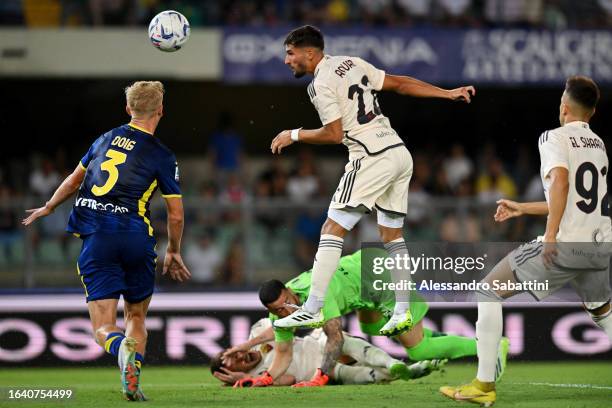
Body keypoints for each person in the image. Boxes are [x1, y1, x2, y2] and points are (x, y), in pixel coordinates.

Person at [270, 25, 475, 337]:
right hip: (398, 152)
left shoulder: (320, 84)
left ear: (309, 53)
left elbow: (334, 134)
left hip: (370, 157)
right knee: (391, 235)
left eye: (290, 53)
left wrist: (293, 134)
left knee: (332, 228)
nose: (287, 60)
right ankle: (403, 311)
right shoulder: (353, 63)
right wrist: (446, 93)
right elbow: (401, 84)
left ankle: (311, 309)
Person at [441, 76, 612, 406]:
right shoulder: (599, 145)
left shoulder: (553, 137)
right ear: (591, 112)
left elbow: (560, 182)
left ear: (564, 107)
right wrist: (522, 207)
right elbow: (574, 199)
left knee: (488, 290)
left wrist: (550, 236)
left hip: (564, 243)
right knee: (602, 310)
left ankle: (483, 385)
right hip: (598, 244)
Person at [22, 81, 191, 401]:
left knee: (103, 328)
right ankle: (133, 373)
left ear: (128, 109)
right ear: (161, 111)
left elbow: (75, 180)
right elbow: (176, 215)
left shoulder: (104, 139)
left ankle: (118, 349)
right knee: (136, 318)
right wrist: (174, 251)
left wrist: (49, 206)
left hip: (99, 240)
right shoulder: (163, 155)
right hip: (137, 240)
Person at [223, 250, 507, 387]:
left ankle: (493, 346)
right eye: (276, 311)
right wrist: (266, 378)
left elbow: (335, 337)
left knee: (417, 349)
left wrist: (320, 377)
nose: (283, 312)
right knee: (373, 326)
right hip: (364, 282)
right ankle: (452, 342)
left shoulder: (317, 293)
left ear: (288, 290)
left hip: (380, 276)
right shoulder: (279, 316)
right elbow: (283, 352)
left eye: (284, 305)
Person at [212, 318, 446, 386]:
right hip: (324, 372)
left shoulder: (257, 333)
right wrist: (248, 380)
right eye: (237, 364)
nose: (242, 357)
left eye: (235, 354)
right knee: (364, 376)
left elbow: (281, 328)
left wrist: (246, 344)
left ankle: (392, 362)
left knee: (343, 342)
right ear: (237, 372)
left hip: (320, 343)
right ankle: (412, 370)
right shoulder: (261, 375)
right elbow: (290, 379)